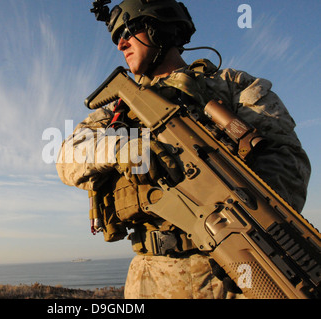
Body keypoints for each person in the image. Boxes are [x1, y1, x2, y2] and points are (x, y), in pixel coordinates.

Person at [56, 0, 311, 299]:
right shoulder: (118, 110)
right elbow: (66, 157)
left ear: (160, 26)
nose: (121, 44)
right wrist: (121, 149)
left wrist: (233, 226)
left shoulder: (231, 86)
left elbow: (289, 164)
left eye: (129, 30)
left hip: (234, 269)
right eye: (117, 38)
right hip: (150, 277)